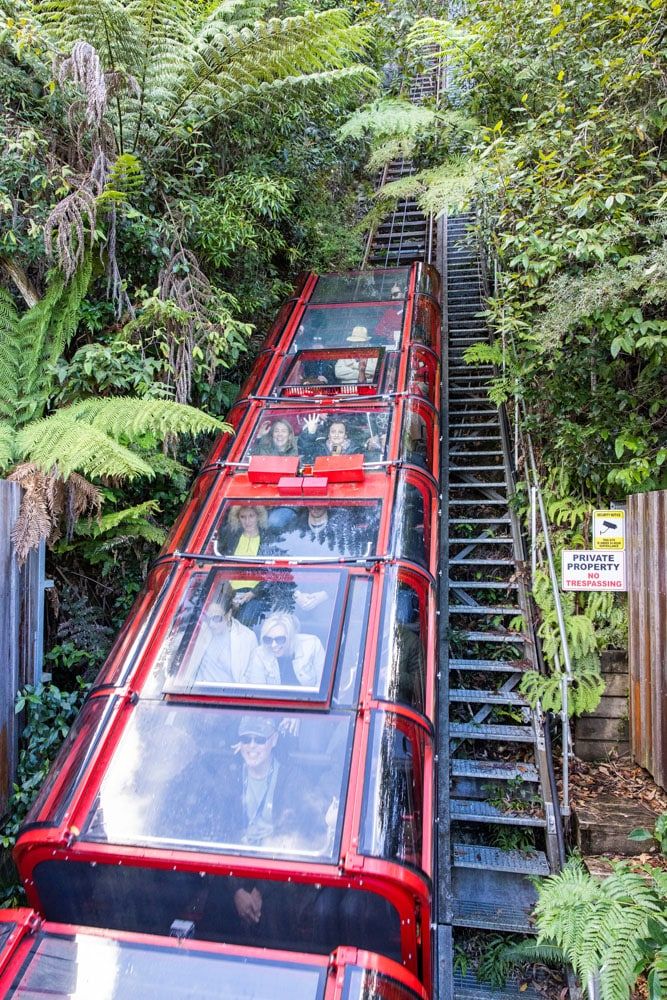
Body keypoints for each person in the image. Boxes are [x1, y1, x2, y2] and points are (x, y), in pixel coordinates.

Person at [187, 585, 262, 686]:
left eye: (217, 618)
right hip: (199, 692)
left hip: (231, 696)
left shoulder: (247, 637)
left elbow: (254, 677)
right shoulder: (200, 631)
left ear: (229, 614)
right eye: (207, 619)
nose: (211, 625)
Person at [214, 505, 272, 625]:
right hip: (229, 590)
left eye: (251, 516)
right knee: (213, 616)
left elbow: (272, 572)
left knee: (243, 621)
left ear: (258, 517)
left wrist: (253, 593)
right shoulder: (231, 538)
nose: (247, 521)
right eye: (243, 517)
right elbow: (220, 563)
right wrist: (228, 592)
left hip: (254, 593)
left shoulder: (268, 539)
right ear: (238, 519)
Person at [251, 612, 325, 688]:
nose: (273, 645)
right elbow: (258, 692)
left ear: (291, 637)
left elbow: (324, 684)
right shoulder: (259, 654)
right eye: (268, 639)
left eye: (279, 639)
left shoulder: (313, 645)